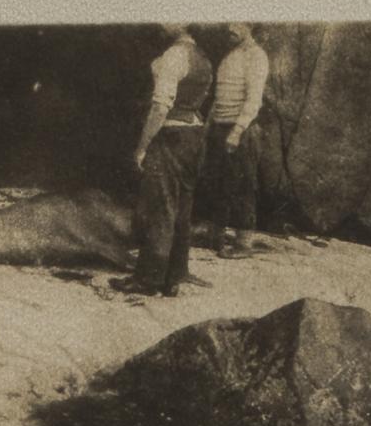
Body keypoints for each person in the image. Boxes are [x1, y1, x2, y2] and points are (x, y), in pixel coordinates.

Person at [109, 23, 213, 297]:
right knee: (182, 208)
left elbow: (160, 107)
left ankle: (148, 279)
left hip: (171, 136)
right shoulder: (202, 57)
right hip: (194, 137)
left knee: (161, 207)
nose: (161, 22)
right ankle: (175, 275)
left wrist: (143, 146)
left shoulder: (174, 56)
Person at [200, 22, 270, 259]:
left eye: (237, 22)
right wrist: (209, 125)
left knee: (243, 186)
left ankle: (243, 244)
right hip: (220, 126)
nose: (230, 27)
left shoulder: (256, 56)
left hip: (242, 128)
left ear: (250, 24)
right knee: (218, 182)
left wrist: (237, 131)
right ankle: (216, 236)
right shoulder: (231, 55)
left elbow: (254, 100)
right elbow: (220, 97)